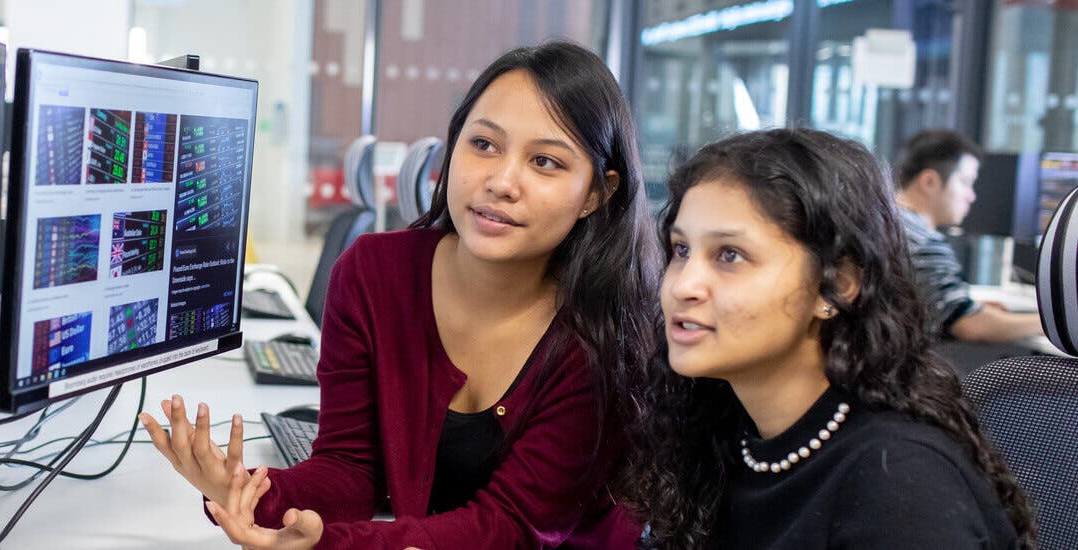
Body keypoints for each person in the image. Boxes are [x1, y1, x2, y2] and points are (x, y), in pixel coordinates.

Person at [138, 42, 661, 549]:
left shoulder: (600, 342)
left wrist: (328, 547)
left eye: (546, 162)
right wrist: (245, 491)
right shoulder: (373, 274)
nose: (502, 181)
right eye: (483, 144)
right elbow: (349, 469)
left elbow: (509, 528)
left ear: (597, 192)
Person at [627, 128, 1036, 549]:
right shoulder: (722, 427)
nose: (683, 285)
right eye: (680, 251)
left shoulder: (898, 482)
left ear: (836, 287)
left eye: (730, 255)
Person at [894, 129, 1043, 342]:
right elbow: (970, 326)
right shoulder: (922, 241)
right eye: (965, 182)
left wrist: (967, 304)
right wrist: (1045, 322)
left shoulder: (890, 221)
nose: (971, 196)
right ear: (929, 181)